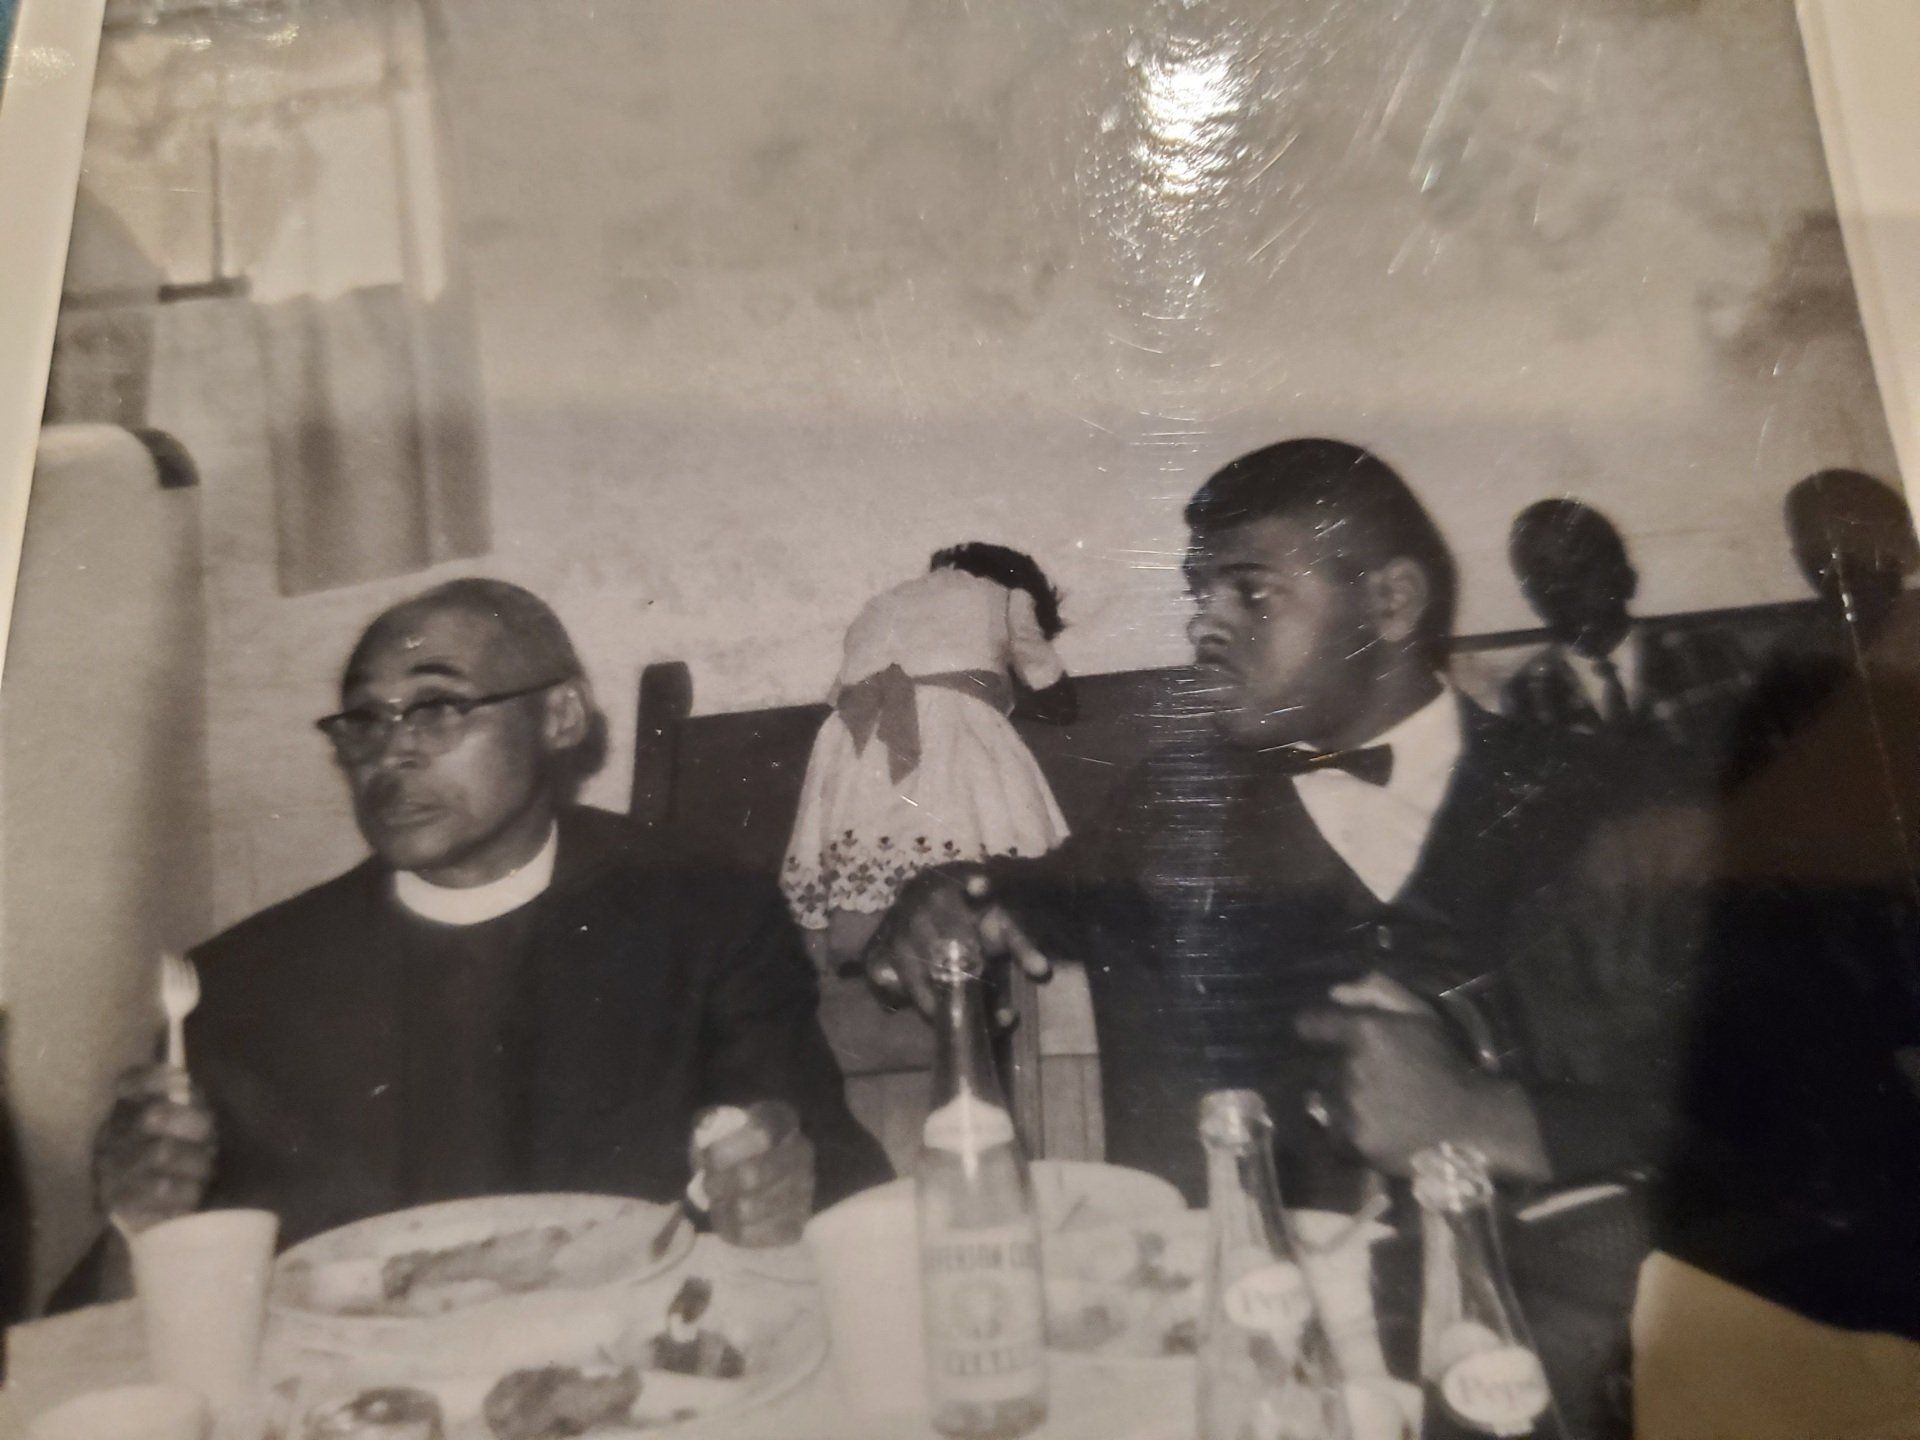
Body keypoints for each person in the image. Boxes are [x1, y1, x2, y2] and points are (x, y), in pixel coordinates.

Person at [866, 440, 1687, 1436]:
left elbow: (1777, 1116)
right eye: (1196, 594)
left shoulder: (1619, 805)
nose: (1203, 625)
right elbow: (1031, 900)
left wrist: (1490, 1117)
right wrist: (945, 891)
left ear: (1390, 604)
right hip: (1242, 1365)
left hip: (1554, 1367)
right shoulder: (1174, 804)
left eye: (1250, 595)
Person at [67, 579, 887, 1307]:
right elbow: (141, 1320)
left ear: (560, 716)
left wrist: (781, 1187)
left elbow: (831, 1179)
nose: (391, 749)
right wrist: (138, 1223)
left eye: (438, 707)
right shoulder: (243, 984)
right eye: (364, 720)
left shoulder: (706, 916)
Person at [781, 542, 1076, 974]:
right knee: (967, 857)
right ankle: (965, 957)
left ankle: (862, 947)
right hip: (950, 733)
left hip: (851, 740)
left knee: (866, 852)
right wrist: (996, 695)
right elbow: (1060, 701)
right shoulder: (1009, 597)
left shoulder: (878, 605)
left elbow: (839, 695)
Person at [1500, 498, 1749, 781]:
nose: (1563, 589)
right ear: (1530, 599)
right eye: (1542, 577)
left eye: (1580, 566)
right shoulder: (1527, 695)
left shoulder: (1707, 654)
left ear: (1624, 573)